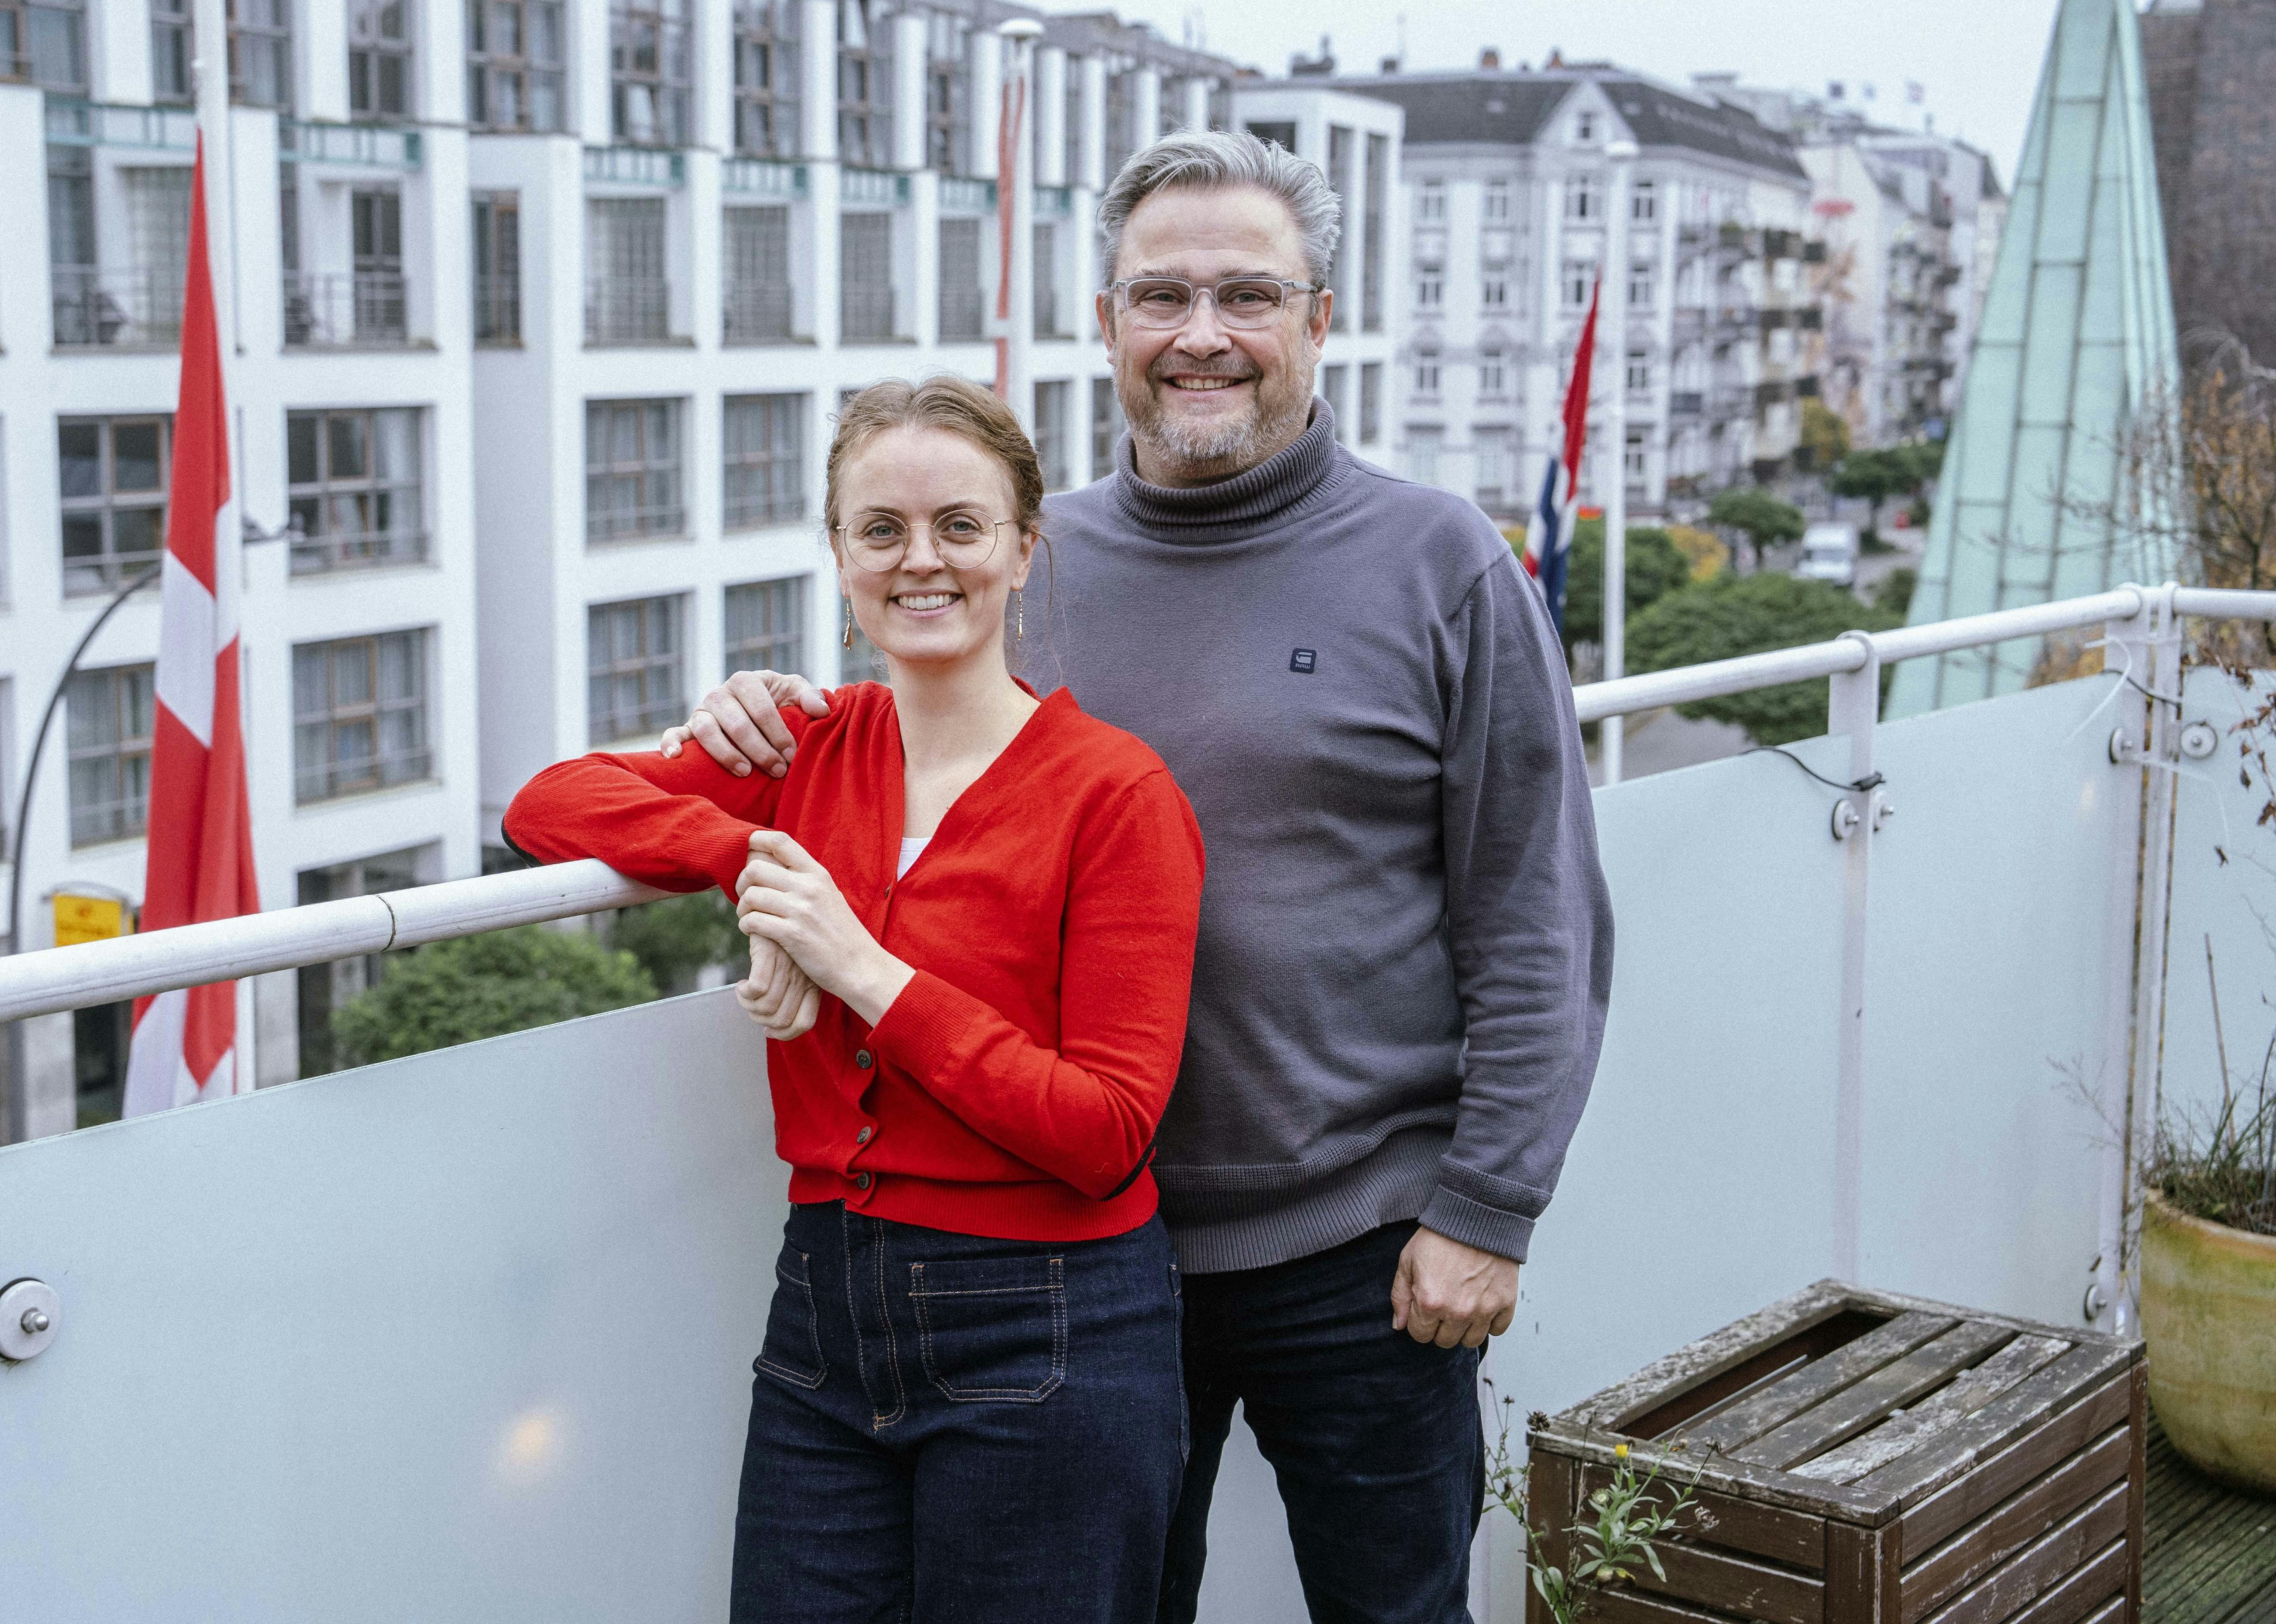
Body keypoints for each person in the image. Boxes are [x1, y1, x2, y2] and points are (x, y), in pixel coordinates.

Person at [662, 130, 1613, 1624]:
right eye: (1161, 296)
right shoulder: (1020, 566)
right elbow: (897, 780)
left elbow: (1536, 915)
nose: (1204, 336)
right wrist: (746, 747)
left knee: (1399, 1612)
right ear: (1105, 322)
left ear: (1319, 317)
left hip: (1358, 1247)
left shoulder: (1442, 564)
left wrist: (1489, 1207)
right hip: (1070, 1262)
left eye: (1249, 294)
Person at [502, 375, 1208, 1624]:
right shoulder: (812, 748)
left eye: (960, 526)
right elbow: (547, 807)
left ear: (1023, 551)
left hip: (1052, 1325)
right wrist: (754, 863)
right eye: (880, 529)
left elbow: (1106, 1134)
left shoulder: (1116, 792)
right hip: (826, 1307)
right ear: (838, 557)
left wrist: (862, 969)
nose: (919, 560)